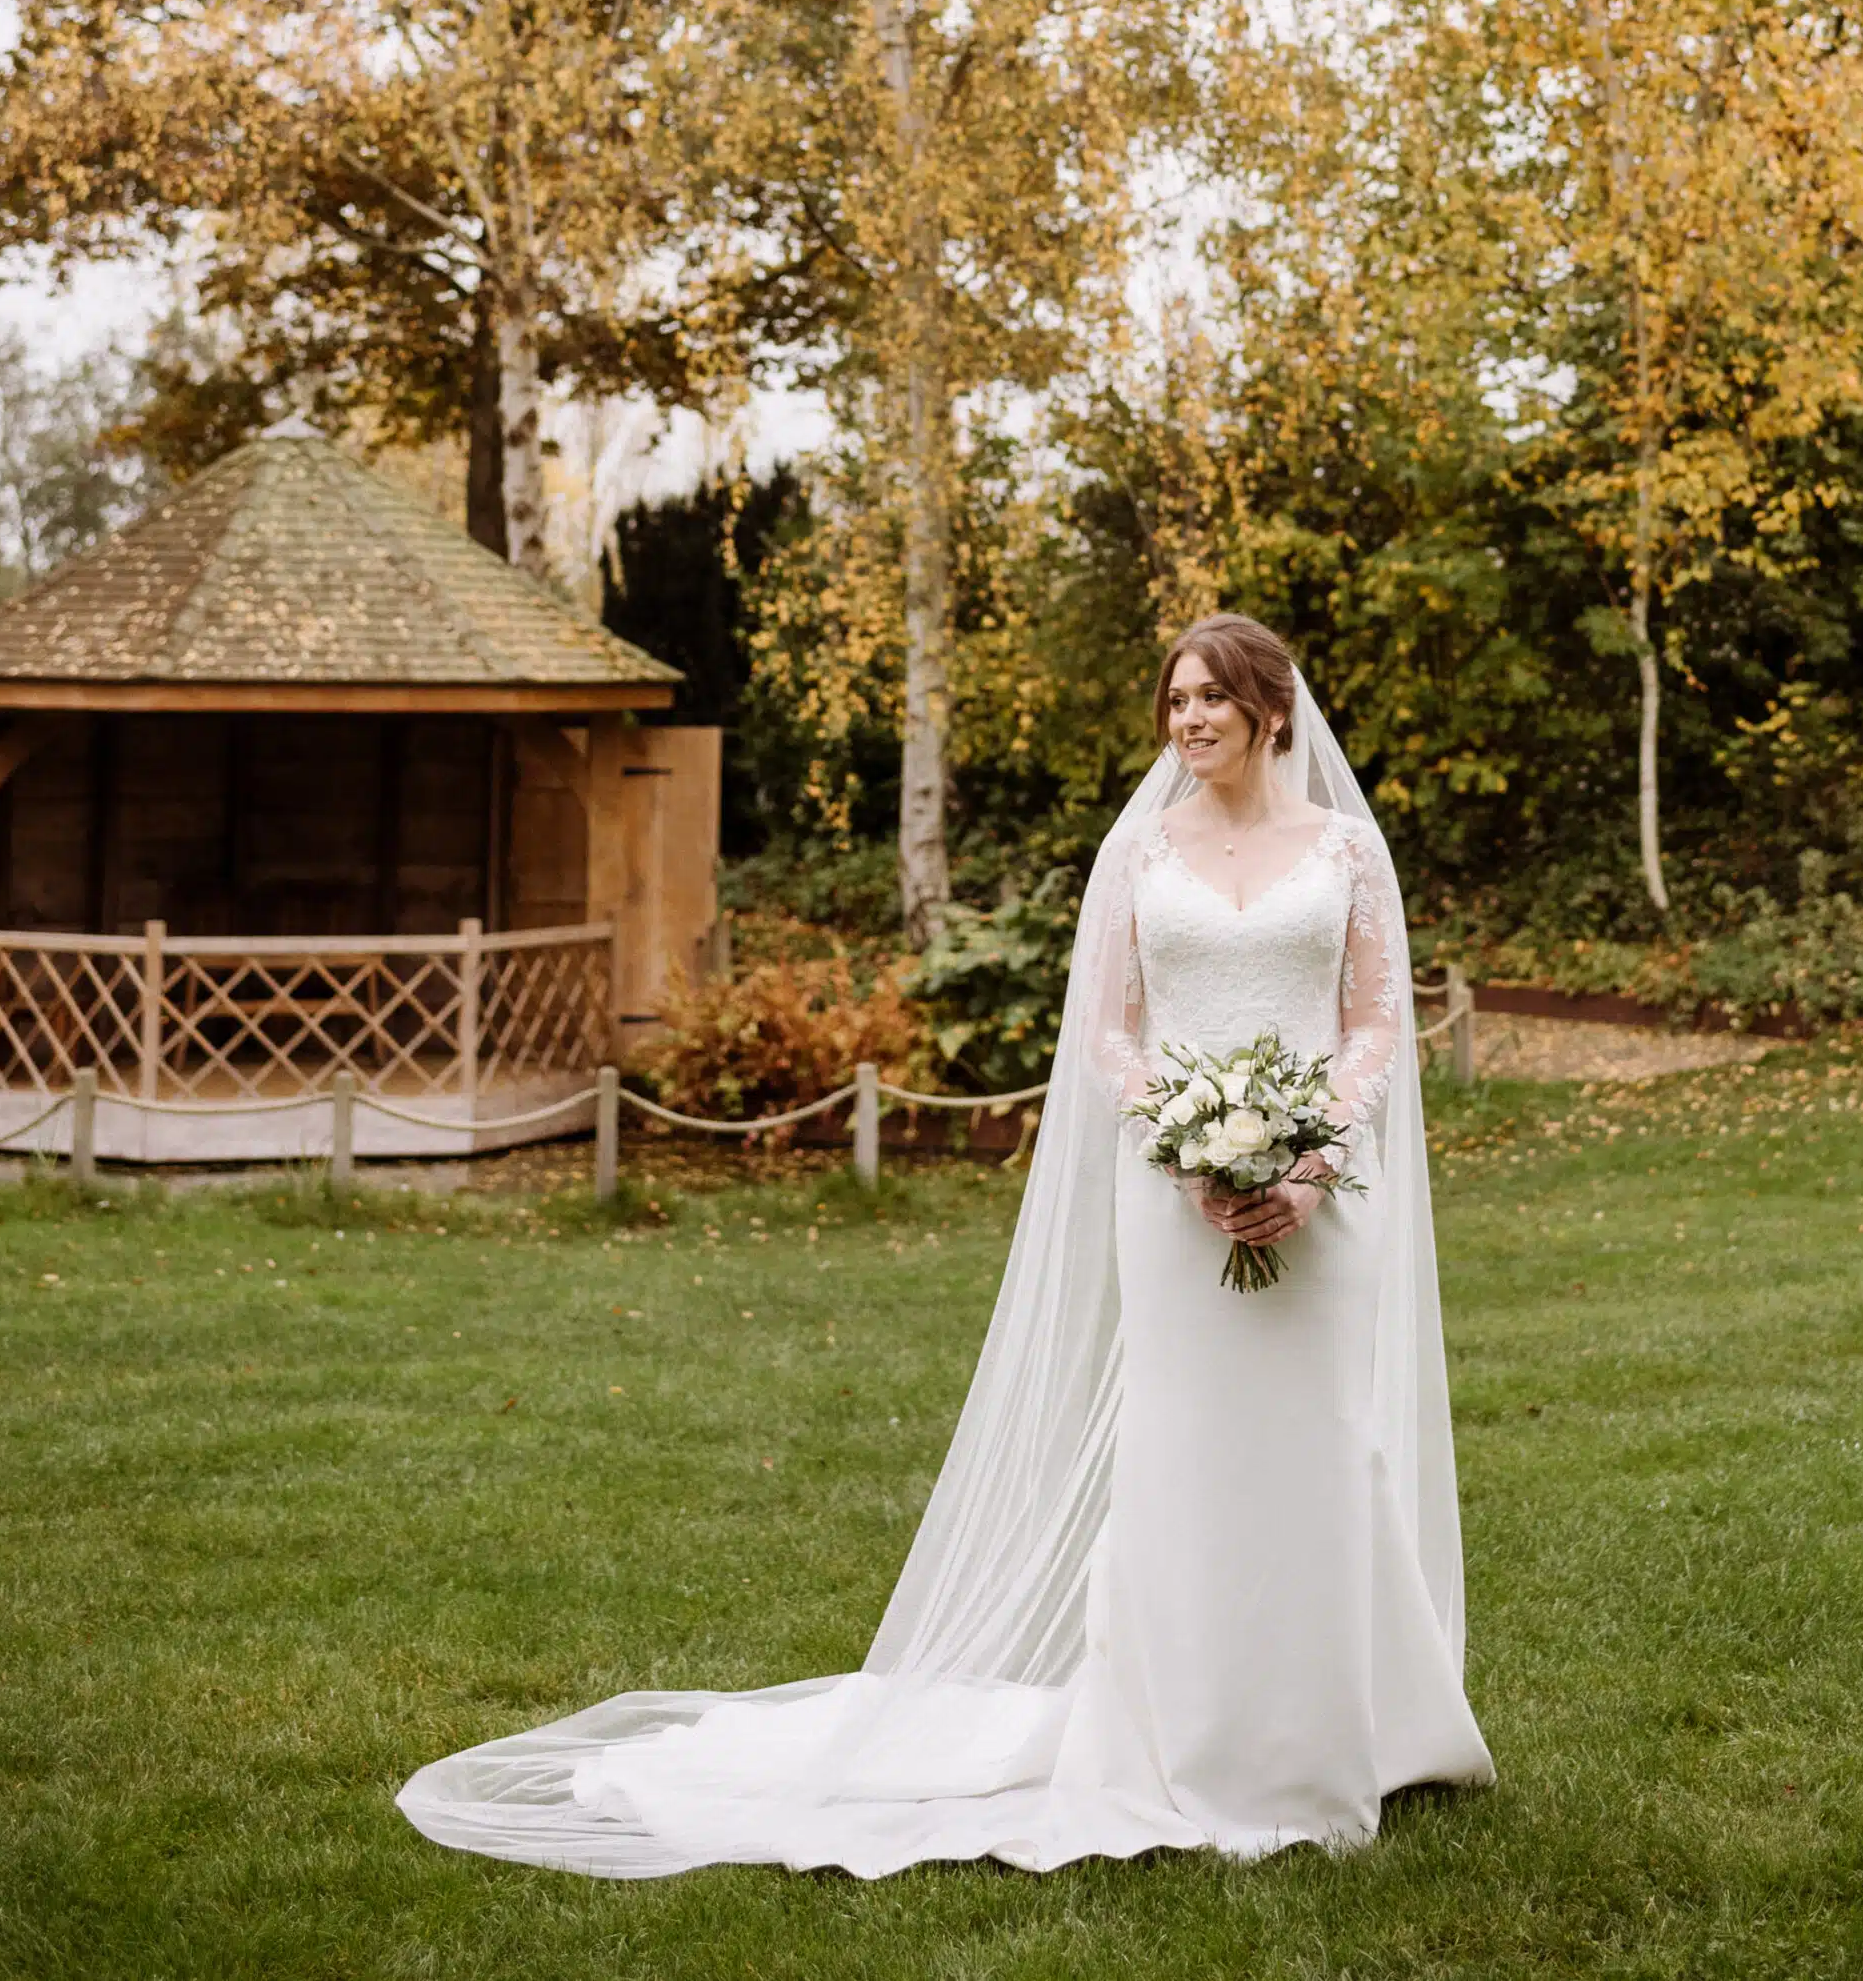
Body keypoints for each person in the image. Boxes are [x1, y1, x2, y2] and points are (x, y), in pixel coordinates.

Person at [397, 613, 1494, 1876]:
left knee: (1320, 1445)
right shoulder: (1138, 852)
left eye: (1212, 700)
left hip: (1320, 1194)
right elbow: (1109, 1031)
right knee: (1185, 1453)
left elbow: (1371, 1027)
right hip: (1173, 1191)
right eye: (1175, 700)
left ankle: (1336, 1732)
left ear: (1269, 712)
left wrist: (1306, 1161)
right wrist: (1184, 1139)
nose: (1188, 720)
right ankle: (1181, 1738)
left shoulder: (1346, 851)